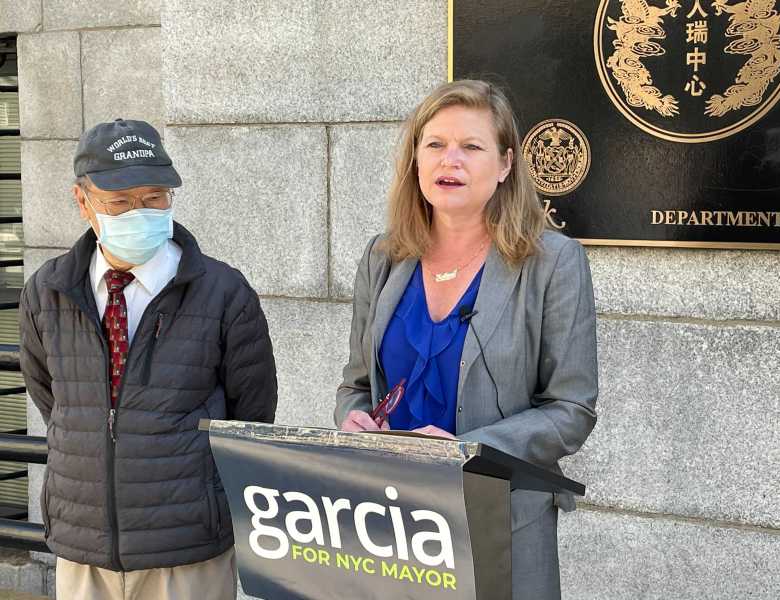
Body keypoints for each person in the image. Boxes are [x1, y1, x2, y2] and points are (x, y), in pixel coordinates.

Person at [335, 80, 598, 599]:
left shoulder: (553, 262)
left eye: (470, 147)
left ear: (504, 165)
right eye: (434, 144)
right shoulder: (383, 257)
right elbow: (356, 384)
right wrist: (351, 418)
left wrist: (465, 451)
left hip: (498, 519)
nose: (448, 160)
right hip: (392, 519)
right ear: (415, 159)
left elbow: (571, 410)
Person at [19, 118, 278, 599]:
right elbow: (53, 398)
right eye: (119, 203)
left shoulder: (224, 293)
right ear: (83, 202)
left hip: (186, 547)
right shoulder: (47, 292)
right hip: (84, 544)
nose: (139, 212)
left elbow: (251, 415)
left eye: (154, 197)